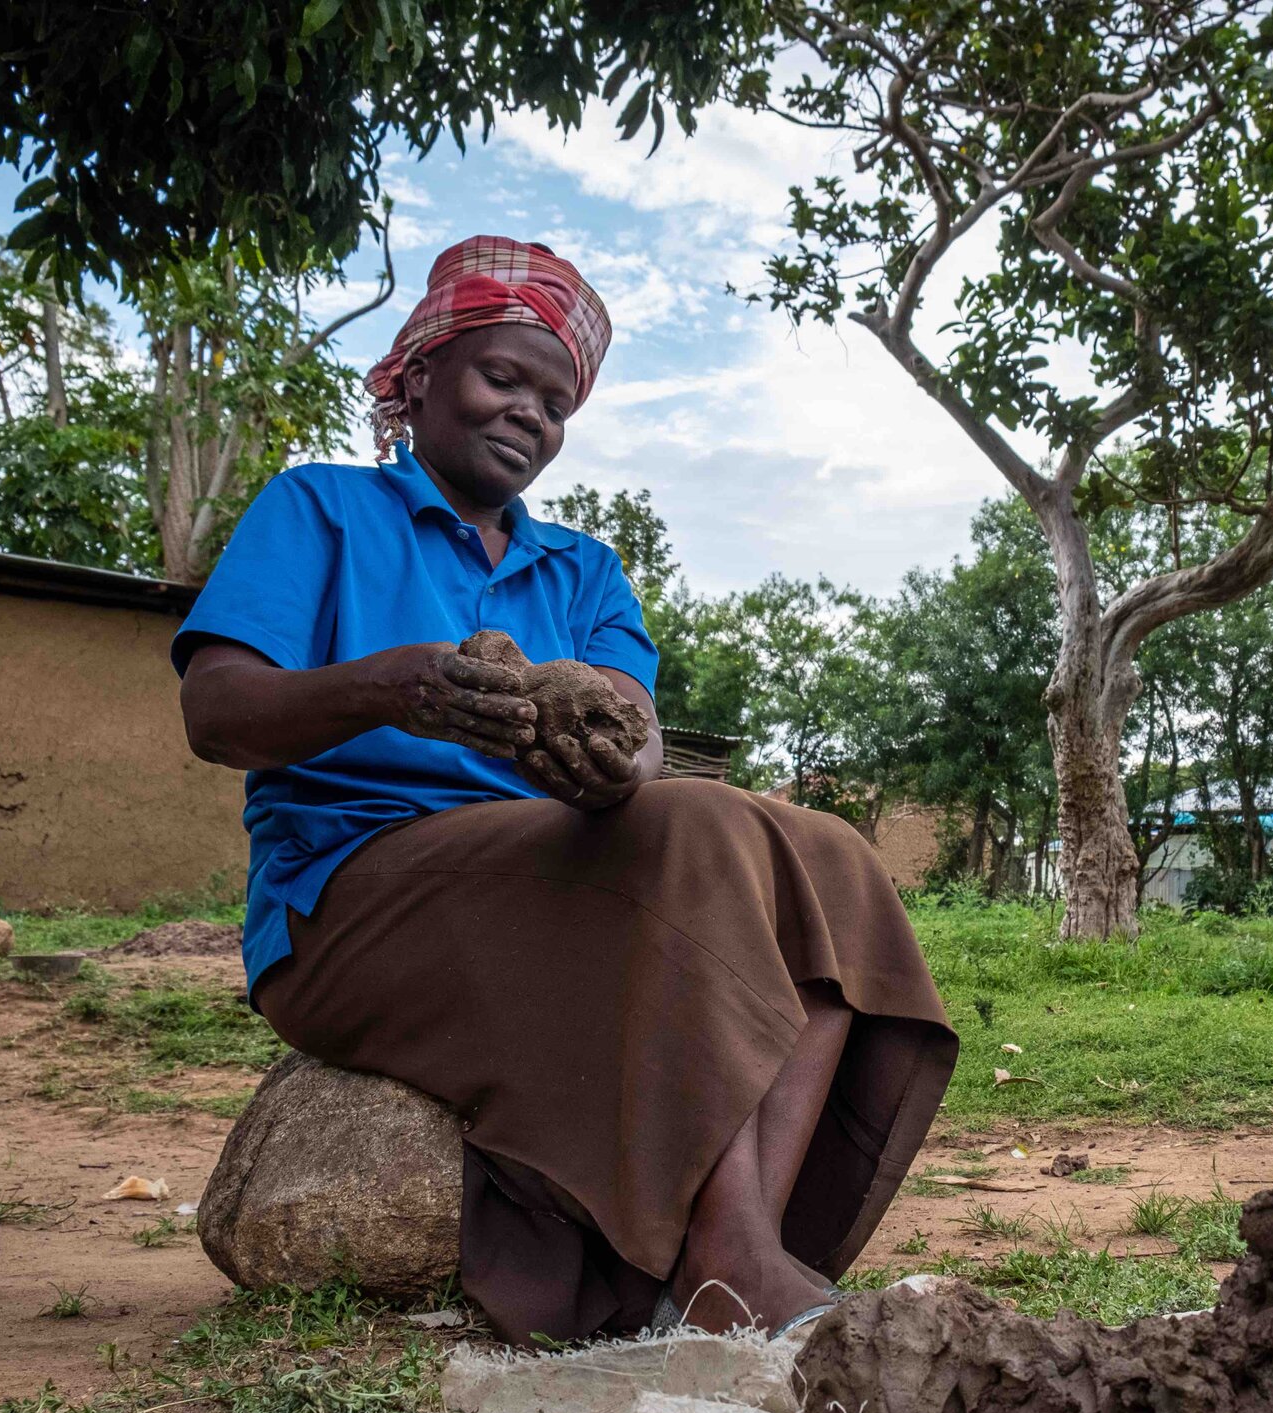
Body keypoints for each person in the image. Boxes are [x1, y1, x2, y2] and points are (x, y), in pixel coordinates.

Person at [173, 236, 956, 1343]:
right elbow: (215, 712)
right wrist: (394, 689)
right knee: (695, 823)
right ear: (424, 373)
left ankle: (741, 1246)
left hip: (547, 882)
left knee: (820, 846)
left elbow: (633, 746)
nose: (530, 414)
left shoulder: (584, 571)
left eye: (556, 400)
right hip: (347, 902)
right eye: (503, 377)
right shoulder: (322, 511)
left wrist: (597, 762)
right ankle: (724, 1250)